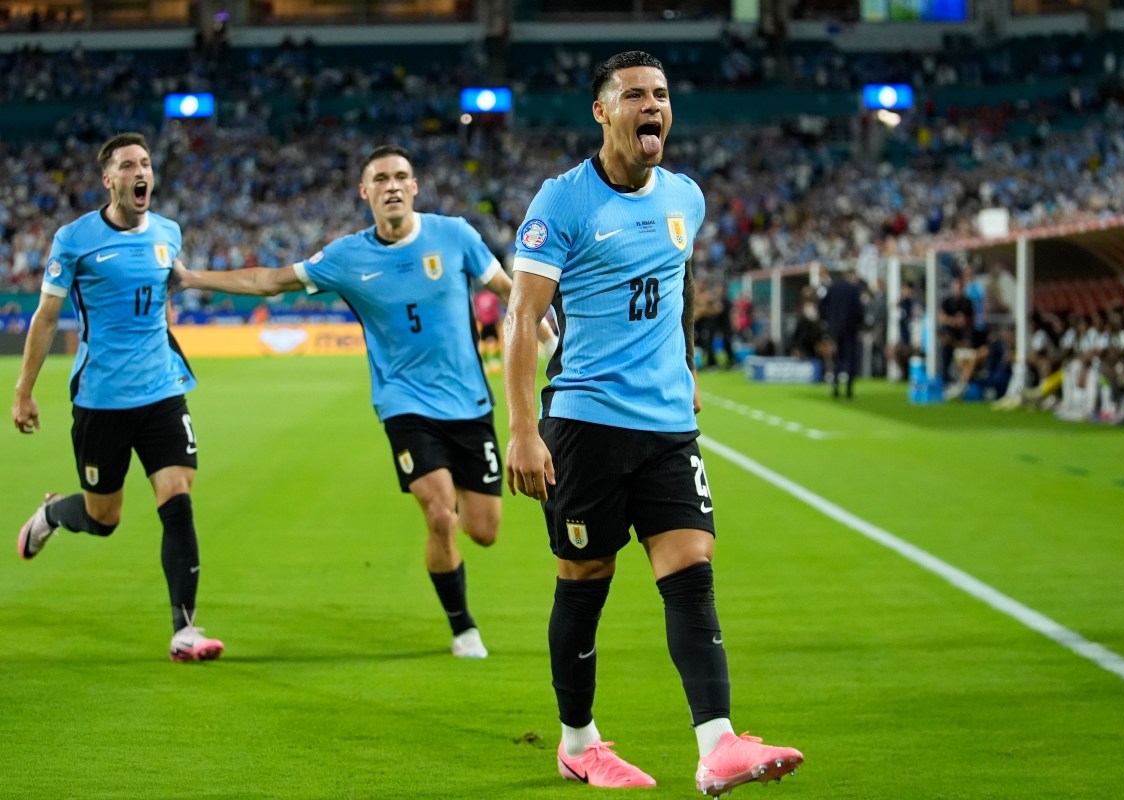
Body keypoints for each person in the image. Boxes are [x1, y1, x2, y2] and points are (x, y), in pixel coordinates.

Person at [503, 51, 803, 796]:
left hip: (667, 425)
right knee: (585, 580)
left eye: (661, 95)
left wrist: (689, 363)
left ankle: (717, 745)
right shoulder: (562, 202)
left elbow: (682, 278)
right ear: (602, 111)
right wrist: (523, 430)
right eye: (635, 94)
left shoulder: (684, 197)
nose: (653, 106)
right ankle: (578, 743)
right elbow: (522, 318)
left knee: (691, 573)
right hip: (586, 424)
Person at [174, 144, 556, 659]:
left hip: (469, 403)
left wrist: (550, 339)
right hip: (404, 404)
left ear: (414, 186)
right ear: (365, 191)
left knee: (484, 531)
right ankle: (463, 627)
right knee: (440, 514)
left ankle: (454, 543)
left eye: (401, 176)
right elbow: (271, 280)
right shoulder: (346, 257)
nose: (392, 185)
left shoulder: (456, 235)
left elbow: (511, 292)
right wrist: (192, 278)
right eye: (380, 178)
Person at [11, 132, 224, 663]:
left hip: (162, 392)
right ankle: (53, 514)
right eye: (128, 165)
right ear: (109, 180)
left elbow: (162, 293)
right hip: (102, 399)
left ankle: (184, 630)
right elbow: (46, 318)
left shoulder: (169, 232)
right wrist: (24, 391)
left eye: (145, 163)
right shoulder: (74, 239)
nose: (140, 172)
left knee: (178, 499)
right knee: (104, 518)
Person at [819, 269, 865, 399]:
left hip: (835, 328)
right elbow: (859, 309)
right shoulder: (853, 289)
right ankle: (849, 389)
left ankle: (835, 386)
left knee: (837, 356)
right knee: (851, 357)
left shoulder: (831, 289)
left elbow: (822, 306)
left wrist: (827, 320)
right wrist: (860, 323)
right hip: (851, 328)